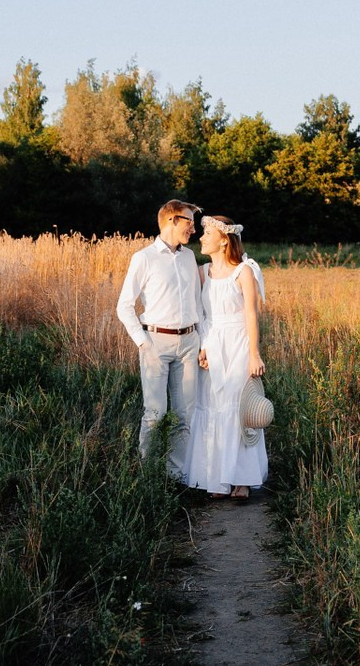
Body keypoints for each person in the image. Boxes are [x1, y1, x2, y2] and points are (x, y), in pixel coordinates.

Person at [115, 199, 206, 479]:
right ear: (171, 220)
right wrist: (144, 343)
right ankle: (149, 477)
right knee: (155, 414)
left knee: (184, 416)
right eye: (189, 221)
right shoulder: (144, 258)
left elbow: (197, 303)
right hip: (156, 342)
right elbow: (124, 306)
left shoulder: (189, 257)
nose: (194, 228)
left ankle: (176, 478)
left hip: (189, 343)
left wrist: (201, 342)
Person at [188, 214, 268, 498]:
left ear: (224, 240)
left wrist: (254, 355)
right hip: (212, 343)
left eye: (207, 233)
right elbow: (199, 315)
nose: (201, 237)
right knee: (211, 406)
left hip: (238, 345)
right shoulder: (201, 272)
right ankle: (218, 479)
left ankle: (241, 479)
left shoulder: (243, 271)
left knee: (238, 409)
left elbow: (251, 314)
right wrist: (203, 347)